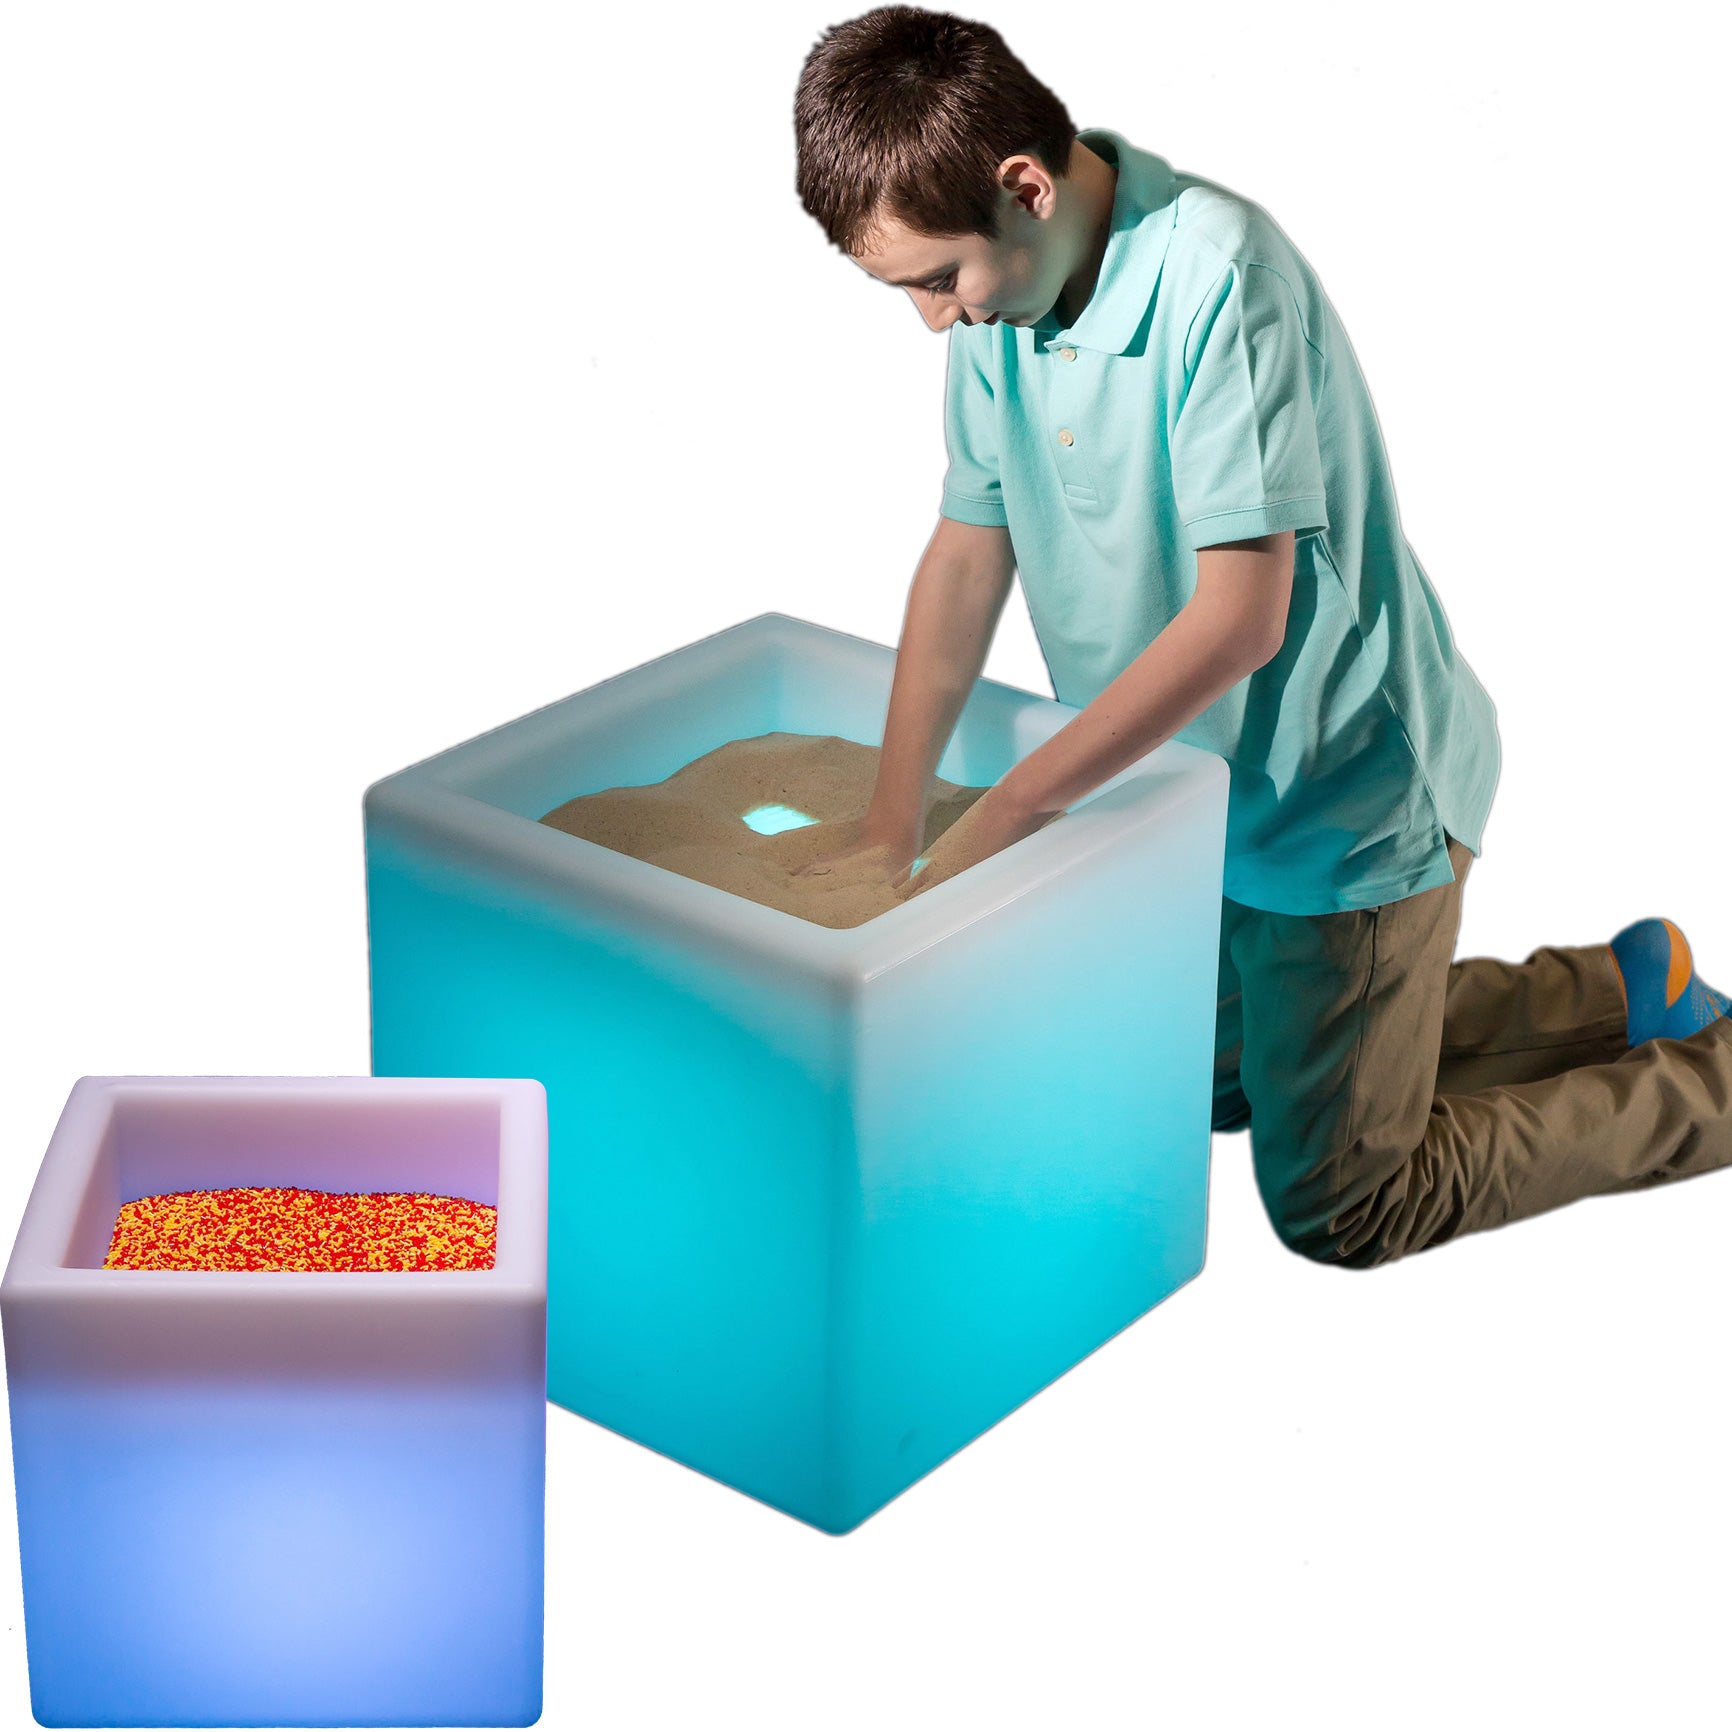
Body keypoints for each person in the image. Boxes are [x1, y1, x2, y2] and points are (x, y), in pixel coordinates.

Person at [789, 4, 1732, 1267]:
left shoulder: (1221, 281)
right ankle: (1620, 988)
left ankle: (1710, 1085)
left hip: (1341, 806)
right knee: (1204, 1078)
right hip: (1199, 799)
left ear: (1022, 188)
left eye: (934, 279)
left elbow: (1240, 619)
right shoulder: (1000, 309)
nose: (930, 322)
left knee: (1340, 1198)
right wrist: (890, 817)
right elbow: (965, 557)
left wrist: (1004, 816)